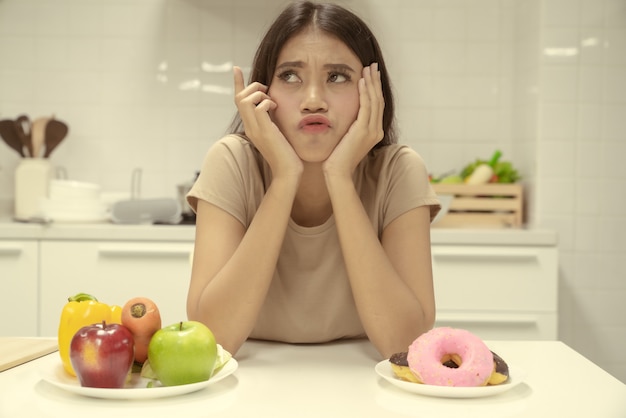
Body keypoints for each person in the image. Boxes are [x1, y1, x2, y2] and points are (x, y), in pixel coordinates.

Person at [186, 1, 440, 359]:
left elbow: (404, 346)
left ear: (373, 92)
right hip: (252, 384)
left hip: (361, 382)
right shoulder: (231, 162)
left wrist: (339, 178)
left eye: (337, 76)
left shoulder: (399, 171)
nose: (313, 101)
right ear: (263, 91)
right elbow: (213, 336)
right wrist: (285, 177)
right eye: (290, 75)